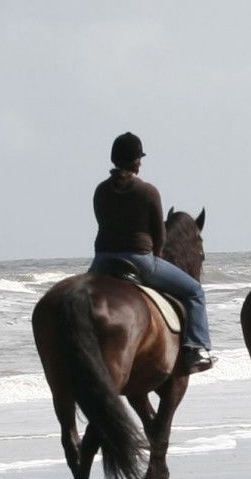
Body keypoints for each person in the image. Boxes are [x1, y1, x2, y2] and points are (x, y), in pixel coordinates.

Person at [91, 132, 215, 375]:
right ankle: (196, 349)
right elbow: (159, 235)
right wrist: (156, 256)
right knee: (195, 291)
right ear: (136, 162)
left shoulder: (101, 190)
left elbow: (101, 222)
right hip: (139, 260)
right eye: (140, 158)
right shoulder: (148, 191)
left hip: (102, 260)